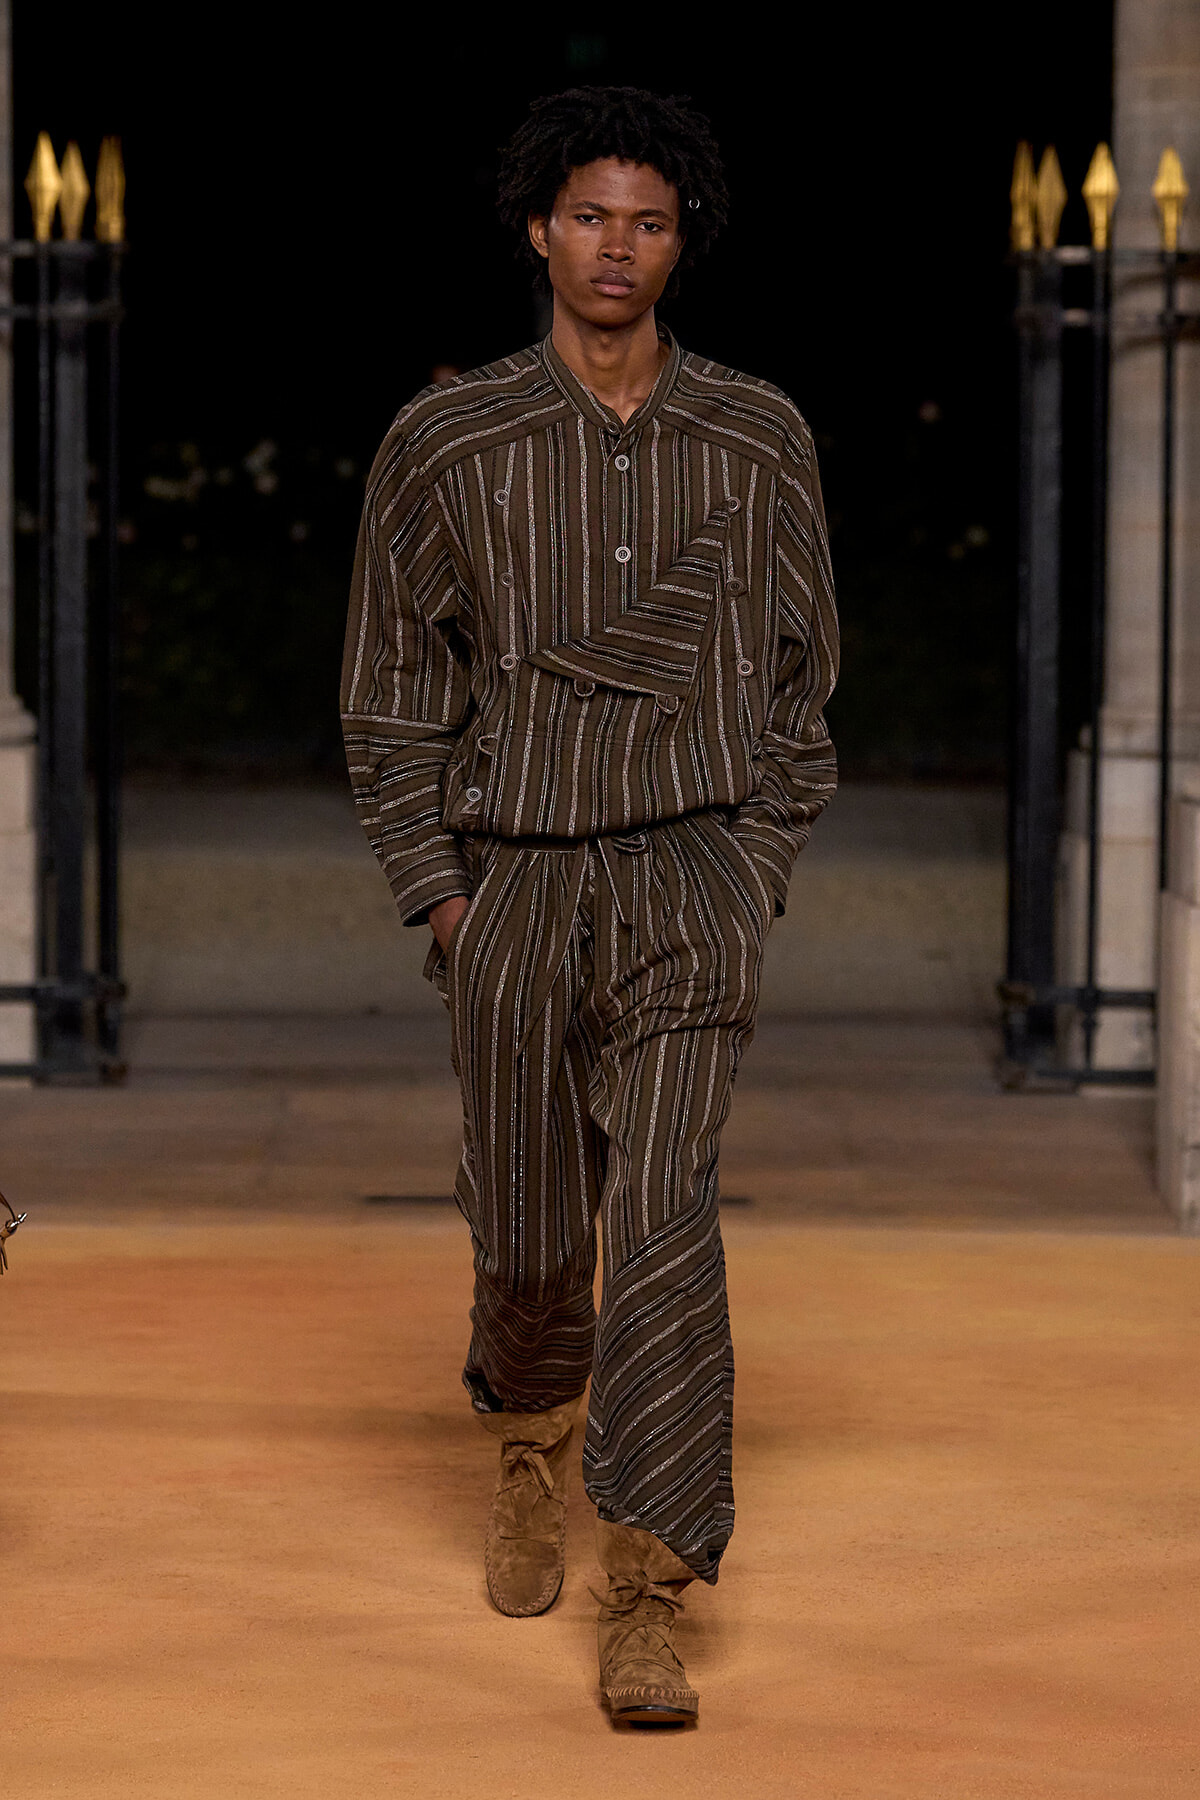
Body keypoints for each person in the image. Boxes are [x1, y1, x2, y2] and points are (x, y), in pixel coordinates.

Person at [341, 85, 838, 1728]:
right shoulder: (448, 440)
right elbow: (393, 690)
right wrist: (443, 900)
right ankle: (529, 1451)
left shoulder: (757, 434)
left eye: (650, 218)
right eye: (589, 215)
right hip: (516, 887)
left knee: (675, 1218)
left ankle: (651, 1589)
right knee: (538, 1226)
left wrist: (749, 867)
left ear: (683, 240)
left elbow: (800, 685)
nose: (617, 245)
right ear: (538, 229)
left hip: (690, 879)